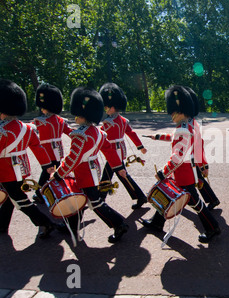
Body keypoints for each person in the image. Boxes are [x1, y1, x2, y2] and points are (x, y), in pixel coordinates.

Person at [140, 85, 220, 243]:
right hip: (185, 170)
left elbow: (177, 157)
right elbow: (173, 137)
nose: (172, 115)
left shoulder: (183, 129)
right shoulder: (187, 126)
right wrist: (157, 136)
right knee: (172, 197)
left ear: (182, 112)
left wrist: (164, 172)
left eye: (174, 112)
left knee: (195, 203)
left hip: (183, 172)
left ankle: (213, 227)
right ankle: (157, 222)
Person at [51, 87, 129, 244]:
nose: (75, 117)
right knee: (77, 199)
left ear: (82, 115)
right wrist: (118, 167)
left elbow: (73, 159)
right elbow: (110, 151)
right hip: (93, 170)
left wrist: (59, 173)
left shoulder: (80, 135)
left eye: (77, 114)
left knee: (95, 203)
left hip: (84, 174)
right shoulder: (98, 132)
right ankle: (72, 226)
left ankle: (118, 223)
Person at [0, 79, 58, 238]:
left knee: (20, 201)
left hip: (6, 171)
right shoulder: (27, 128)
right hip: (21, 169)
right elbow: (38, 148)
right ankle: (2, 224)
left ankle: (45, 222)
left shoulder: (2, 130)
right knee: (10, 198)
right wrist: (47, 164)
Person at [98, 82, 148, 210]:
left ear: (116, 106)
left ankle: (101, 198)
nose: (107, 109)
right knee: (111, 174)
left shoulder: (108, 122)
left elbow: (101, 135)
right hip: (119, 151)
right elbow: (131, 133)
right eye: (106, 107)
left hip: (113, 151)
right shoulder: (123, 120)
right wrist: (139, 146)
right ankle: (101, 197)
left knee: (119, 175)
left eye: (110, 107)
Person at [32, 83, 73, 203]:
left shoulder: (60, 120)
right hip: (46, 152)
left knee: (54, 173)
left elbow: (70, 132)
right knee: (46, 173)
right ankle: (39, 193)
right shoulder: (40, 121)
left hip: (56, 152)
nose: (42, 108)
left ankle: (48, 192)